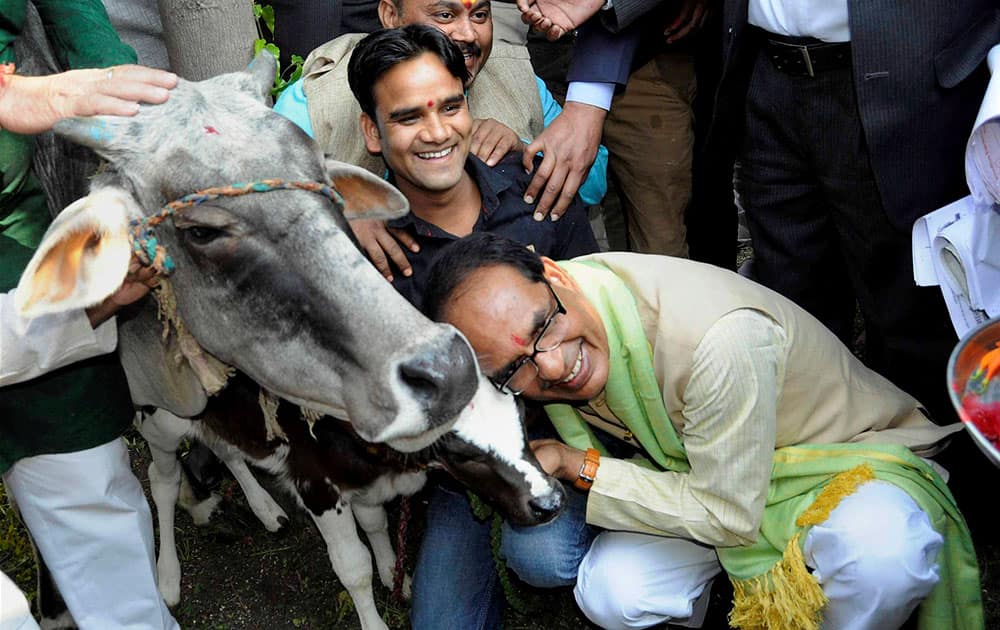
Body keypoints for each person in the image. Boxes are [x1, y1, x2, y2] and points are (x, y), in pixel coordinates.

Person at [419, 232, 981, 630]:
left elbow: (730, 515)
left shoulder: (714, 340)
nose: (551, 367)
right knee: (613, 591)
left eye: (544, 326)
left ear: (555, 273)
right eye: (513, 370)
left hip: (834, 460)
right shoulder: (577, 303)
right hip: (713, 478)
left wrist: (577, 465)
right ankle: (728, 605)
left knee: (885, 557)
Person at [708, 1, 1000, 423]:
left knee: (911, 308)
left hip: (906, 81)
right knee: (792, 302)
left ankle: (933, 470)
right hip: (767, 73)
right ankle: (830, 468)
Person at [0, 2, 179, 628]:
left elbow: (83, 26)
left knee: (100, 514)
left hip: (19, 250)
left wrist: (126, 108)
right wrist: (14, 94)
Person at [272, 0, 609, 277]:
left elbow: (593, 183)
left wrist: (524, 150)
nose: (467, 34)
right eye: (445, 15)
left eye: (479, 15)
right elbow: (265, 195)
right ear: (390, 15)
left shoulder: (516, 77)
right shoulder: (320, 95)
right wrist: (337, 208)